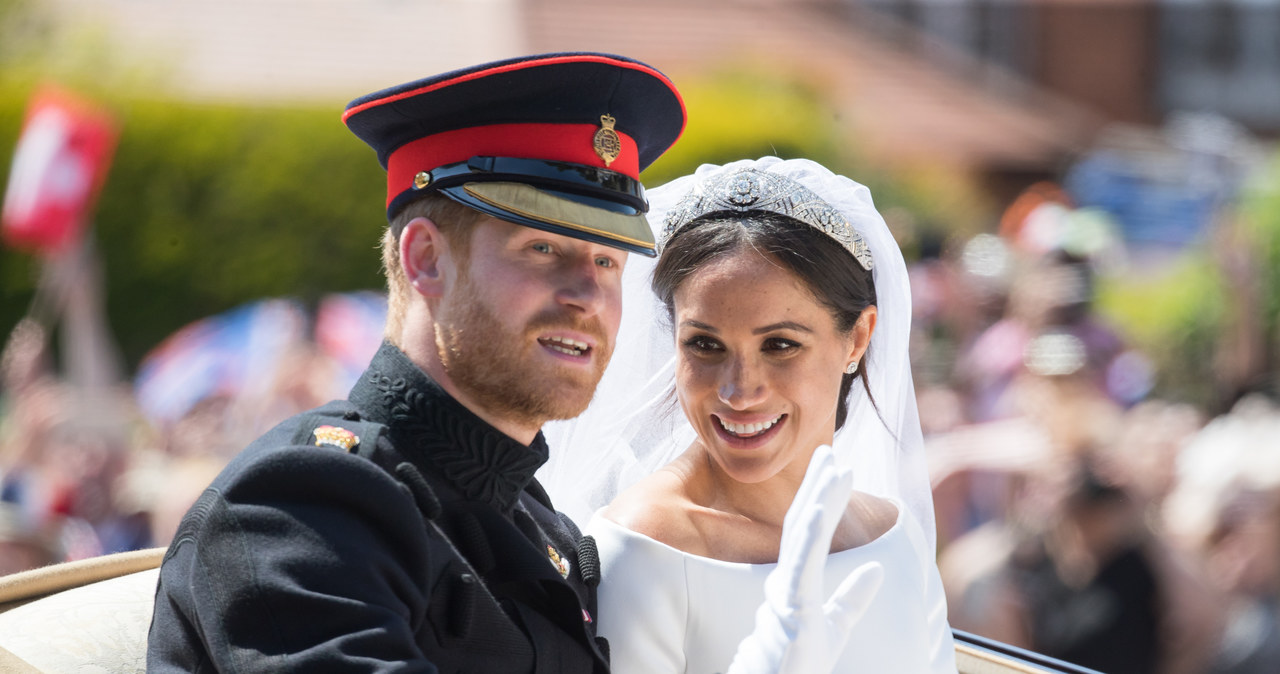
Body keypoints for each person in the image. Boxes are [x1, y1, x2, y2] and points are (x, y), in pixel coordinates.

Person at [146, 52, 686, 671]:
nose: (588, 296)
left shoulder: (542, 525)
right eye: (543, 248)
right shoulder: (303, 506)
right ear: (426, 258)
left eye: (608, 261)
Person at [540, 157, 957, 672]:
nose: (739, 392)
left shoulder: (892, 533)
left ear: (858, 338)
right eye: (705, 345)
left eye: (780, 344)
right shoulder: (644, 547)